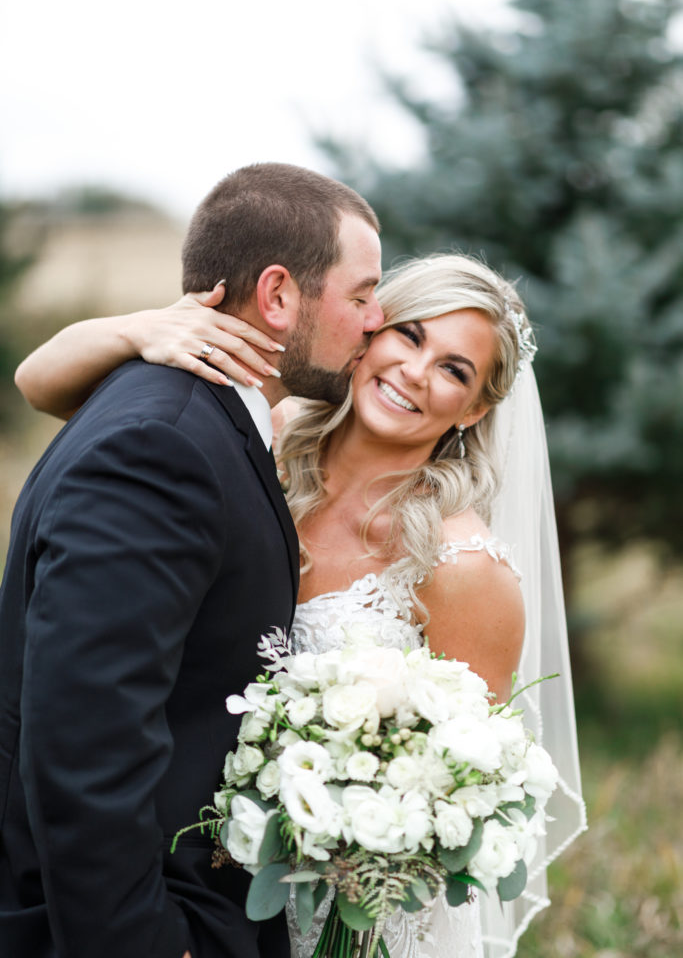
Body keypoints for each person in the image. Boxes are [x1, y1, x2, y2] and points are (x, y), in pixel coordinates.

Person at [13, 252, 587, 957]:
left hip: (354, 906)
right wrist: (144, 330)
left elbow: (470, 782)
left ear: (473, 409)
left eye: (453, 369)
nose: (414, 371)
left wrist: (359, 840)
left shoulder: (462, 567)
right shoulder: (265, 439)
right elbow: (38, 383)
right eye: (408, 336)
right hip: (199, 880)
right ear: (369, 332)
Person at [0, 161, 385, 958]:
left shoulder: (202, 415)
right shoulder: (163, 445)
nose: (376, 321)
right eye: (360, 295)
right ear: (277, 295)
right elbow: (84, 739)